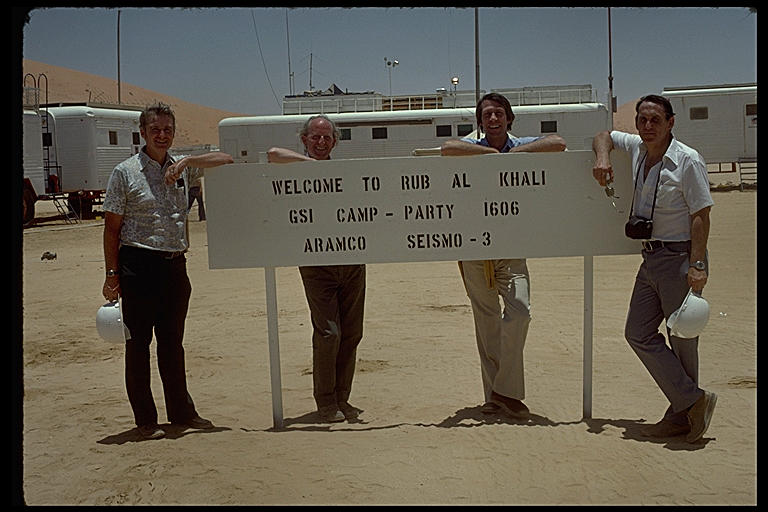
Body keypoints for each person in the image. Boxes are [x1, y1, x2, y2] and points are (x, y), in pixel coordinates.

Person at [102, 102, 234, 440]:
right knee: (138, 345)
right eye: (155, 130)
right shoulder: (125, 172)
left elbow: (226, 160)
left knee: (173, 344)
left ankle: (181, 413)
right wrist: (111, 275)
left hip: (175, 267)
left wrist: (188, 161)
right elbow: (112, 228)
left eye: (167, 130)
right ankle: (146, 420)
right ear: (142, 133)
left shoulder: (182, 168)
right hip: (138, 266)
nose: (162, 135)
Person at [591, 94, 717, 443]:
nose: (647, 126)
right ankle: (692, 402)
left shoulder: (687, 160)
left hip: (679, 257)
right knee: (638, 332)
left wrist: (697, 264)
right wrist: (603, 157)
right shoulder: (637, 148)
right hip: (650, 257)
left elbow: (701, 214)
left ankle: (682, 416)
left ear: (670, 123)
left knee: (682, 339)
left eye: (655, 120)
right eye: (642, 120)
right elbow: (603, 135)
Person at [441, 92, 566, 419]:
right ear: (480, 122)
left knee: (520, 312)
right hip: (475, 247)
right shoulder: (473, 146)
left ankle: (502, 391)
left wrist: (513, 155)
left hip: (511, 246)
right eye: (487, 115)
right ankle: (496, 398)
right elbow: (448, 148)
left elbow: (557, 143)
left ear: (509, 118)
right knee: (486, 323)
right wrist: (490, 154)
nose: (493, 119)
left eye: (498, 113)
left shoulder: (519, 144)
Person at [267, 114, 366, 423]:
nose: (321, 142)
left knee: (352, 333)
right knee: (328, 333)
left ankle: (342, 398)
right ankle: (325, 401)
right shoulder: (294, 167)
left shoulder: (345, 174)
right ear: (304, 140)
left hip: (351, 262)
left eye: (327, 138)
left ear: (334, 142)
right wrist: (312, 167)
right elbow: (273, 154)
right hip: (316, 265)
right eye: (315, 137)